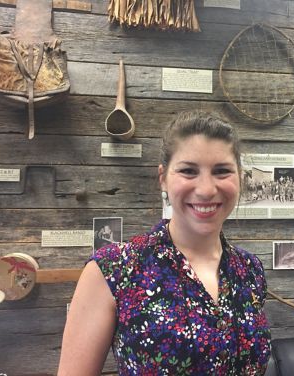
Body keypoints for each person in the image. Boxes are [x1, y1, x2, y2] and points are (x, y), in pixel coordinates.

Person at [58, 111, 271, 375]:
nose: (206, 189)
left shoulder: (249, 270)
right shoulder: (114, 269)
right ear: (163, 178)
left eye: (222, 171)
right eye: (188, 171)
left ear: (239, 176)